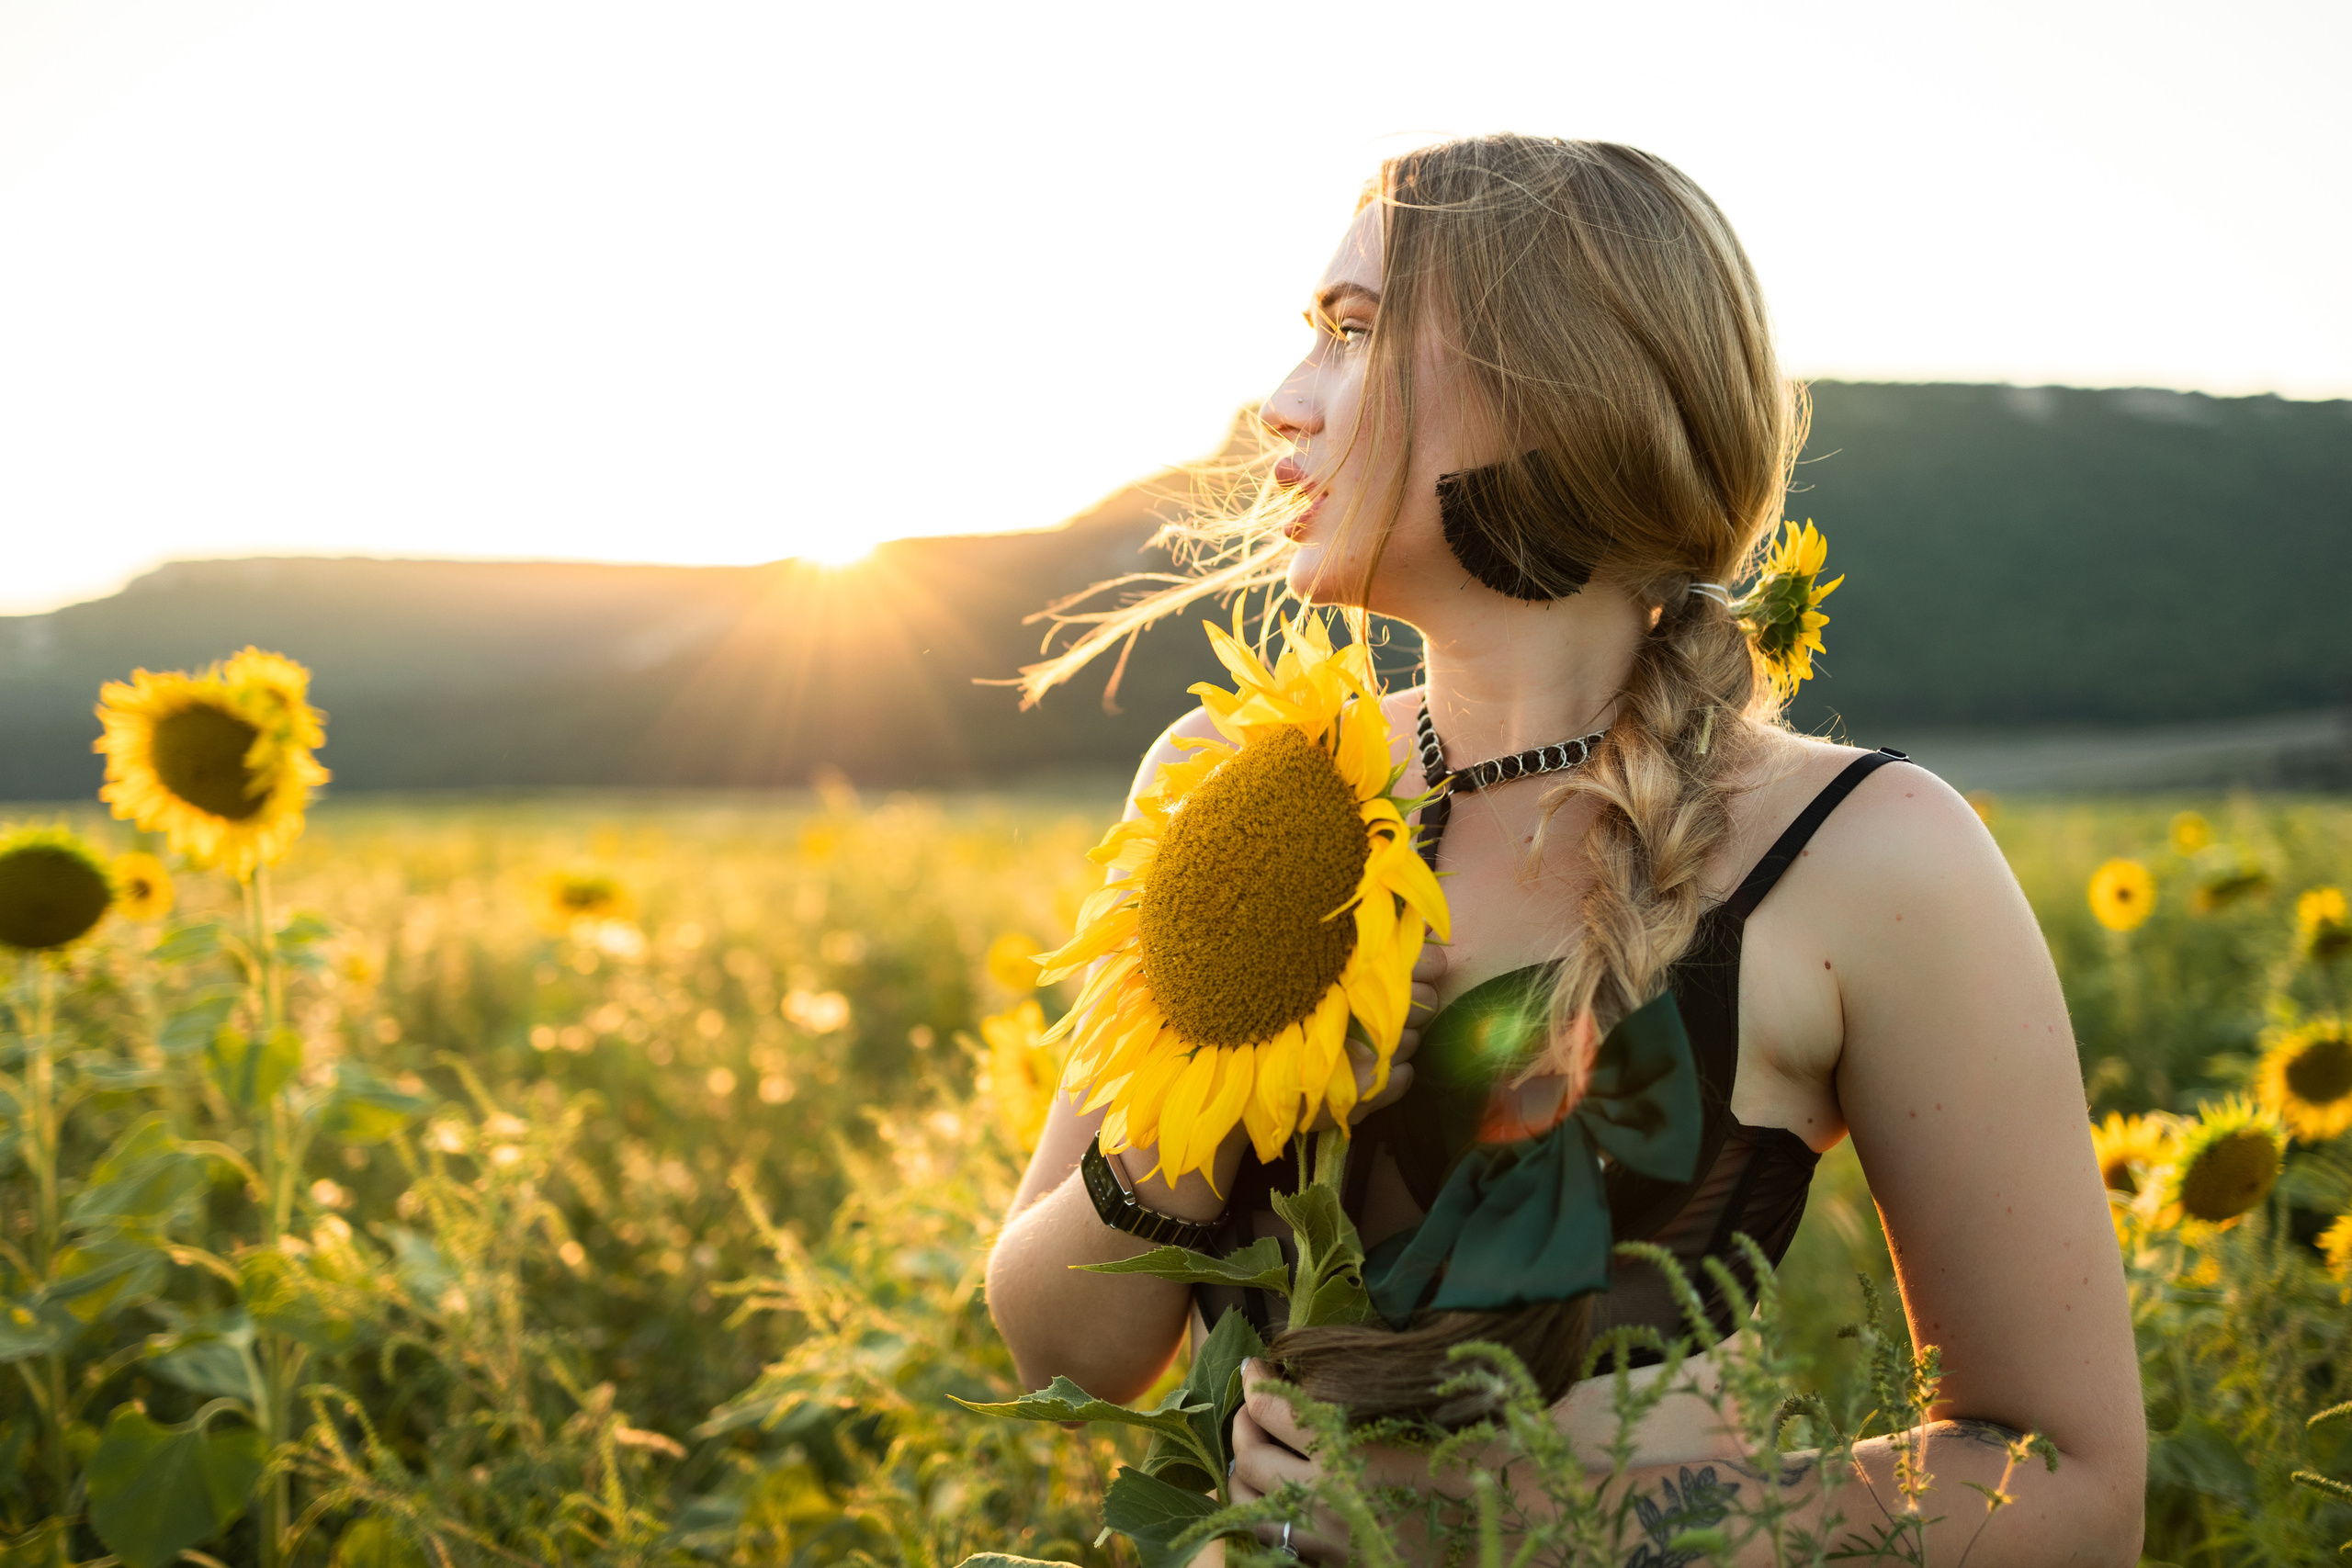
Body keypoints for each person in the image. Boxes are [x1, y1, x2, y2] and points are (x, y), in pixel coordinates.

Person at [984, 135, 2143, 1563]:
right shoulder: (1229, 788)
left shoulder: (1870, 856)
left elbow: (2073, 1487)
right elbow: (1065, 1353)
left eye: (1354, 333)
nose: (1282, 402)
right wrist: (1210, 1093)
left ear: (1558, 391)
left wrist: (1536, 1522)